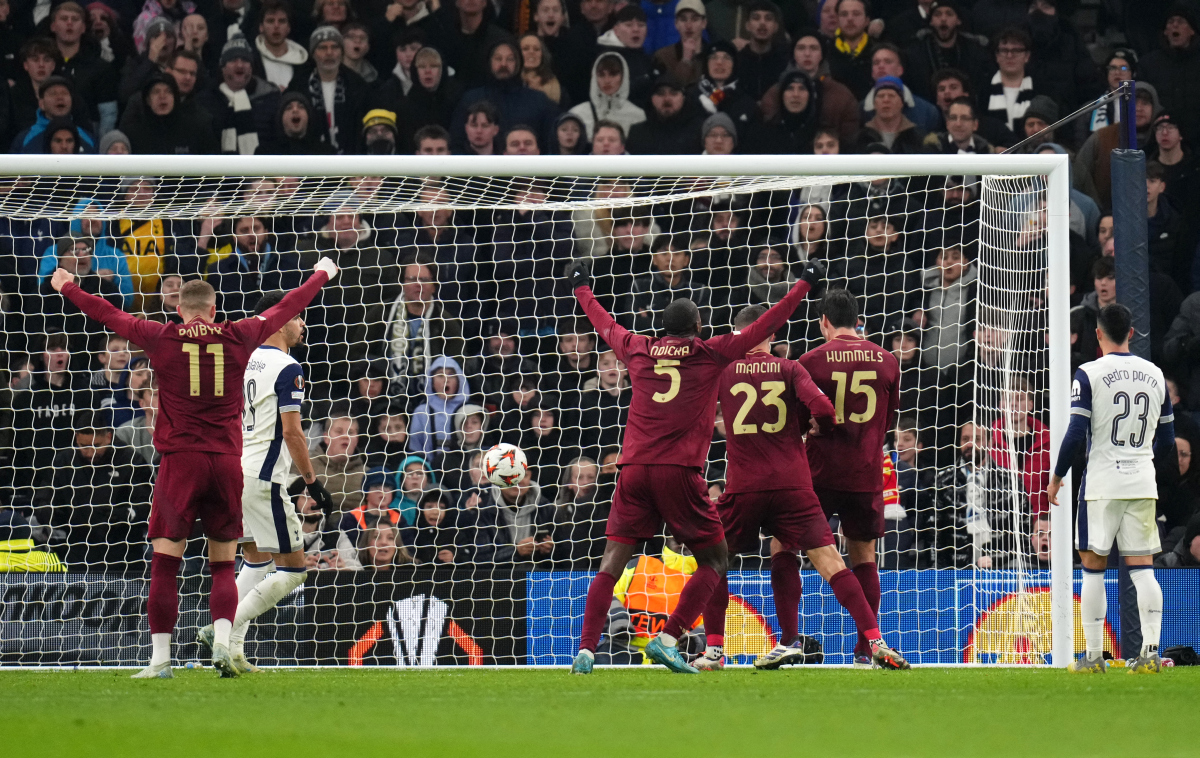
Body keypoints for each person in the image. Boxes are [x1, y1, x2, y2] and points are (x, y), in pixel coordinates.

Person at [48, 255, 338, 679]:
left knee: (166, 562)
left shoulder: (161, 336)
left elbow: (108, 313)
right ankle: (222, 642)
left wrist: (67, 286)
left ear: (179, 309)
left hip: (180, 462)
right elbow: (287, 305)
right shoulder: (240, 334)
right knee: (223, 563)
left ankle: (160, 661)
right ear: (215, 309)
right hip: (226, 463)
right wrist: (322, 274)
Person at [564, 253, 825, 675]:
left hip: (633, 470)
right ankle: (669, 639)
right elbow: (766, 324)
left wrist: (581, 287)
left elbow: (603, 323)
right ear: (699, 326)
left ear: (663, 328)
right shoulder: (710, 352)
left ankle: (587, 651)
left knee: (612, 560)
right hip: (679, 472)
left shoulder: (637, 347)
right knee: (716, 559)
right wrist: (804, 284)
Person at [696, 304, 909, 671]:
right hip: (841, 474)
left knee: (721, 560)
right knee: (849, 559)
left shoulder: (792, 362)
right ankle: (869, 646)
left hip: (785, 477)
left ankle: (732, 647)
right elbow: (865, 415)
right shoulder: (880, 360)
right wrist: (816, 426)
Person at [195, 290, 336, 674]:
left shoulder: (240, 360)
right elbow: (292, 432)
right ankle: (220, 630)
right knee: (294, 570)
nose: (302, 323)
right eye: (297, 316)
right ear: (278, 319)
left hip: (231, 471)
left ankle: (233, 653)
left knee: (256, 560)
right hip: (263, 477)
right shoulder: (288, 367)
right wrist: (311, 481)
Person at [1048, 303, 1175, 674]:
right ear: (1131, 333)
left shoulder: (1089, 373)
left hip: (1102, 484)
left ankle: (1092, 657)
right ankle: (1150, 654)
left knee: (1093, 568)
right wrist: (1142, 461)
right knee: (1143, 570)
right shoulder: (1155, 374)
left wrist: (1057, 476)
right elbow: (1168, 440)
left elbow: (1076, 432)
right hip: (1142, 482)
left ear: (1098, 334)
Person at [797, 289, 901, 667]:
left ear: (824, 321)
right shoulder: (888, 361)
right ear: (858, 321)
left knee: (787, 546)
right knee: (864, 557)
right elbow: (889, 420)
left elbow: (799, 421)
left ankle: (789, 637)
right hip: (865, 471)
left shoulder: (810, 361)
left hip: (819, 472)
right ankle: (864, 650)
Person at [567, 51, 645, 141]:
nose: (607, 80)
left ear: (624, 76)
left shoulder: (637, 116)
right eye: (601, 75)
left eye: (613, 74)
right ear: (594, 77)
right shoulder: (577, 114)